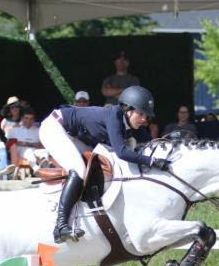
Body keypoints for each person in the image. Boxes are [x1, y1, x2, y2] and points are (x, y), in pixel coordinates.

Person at [40, 85, 168, 243]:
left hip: (75, 134)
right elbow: (122, 152)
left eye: (146, 116)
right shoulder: (114, 116)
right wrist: (152, 161)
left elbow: (150, 143)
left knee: (97, 166)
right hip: (55, 128)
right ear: (127, 109)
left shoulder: (131, 123)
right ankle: (60, 226)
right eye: (140, 114)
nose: (144, 119)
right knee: (80, 170)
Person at [8, 107, 49, 172]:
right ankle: (36, 169)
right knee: (29, 151)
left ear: (34, 120)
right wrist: (32, 144)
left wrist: (25, 143)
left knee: (44, 151)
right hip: (21, 151)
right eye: (26, 118)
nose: (28, 121)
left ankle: (46, 164)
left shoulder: (38, 131)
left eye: (31, 119)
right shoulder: (14, 130)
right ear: (22, 118)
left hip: (36, 151)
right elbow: (10, 144)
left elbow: (42, 145)